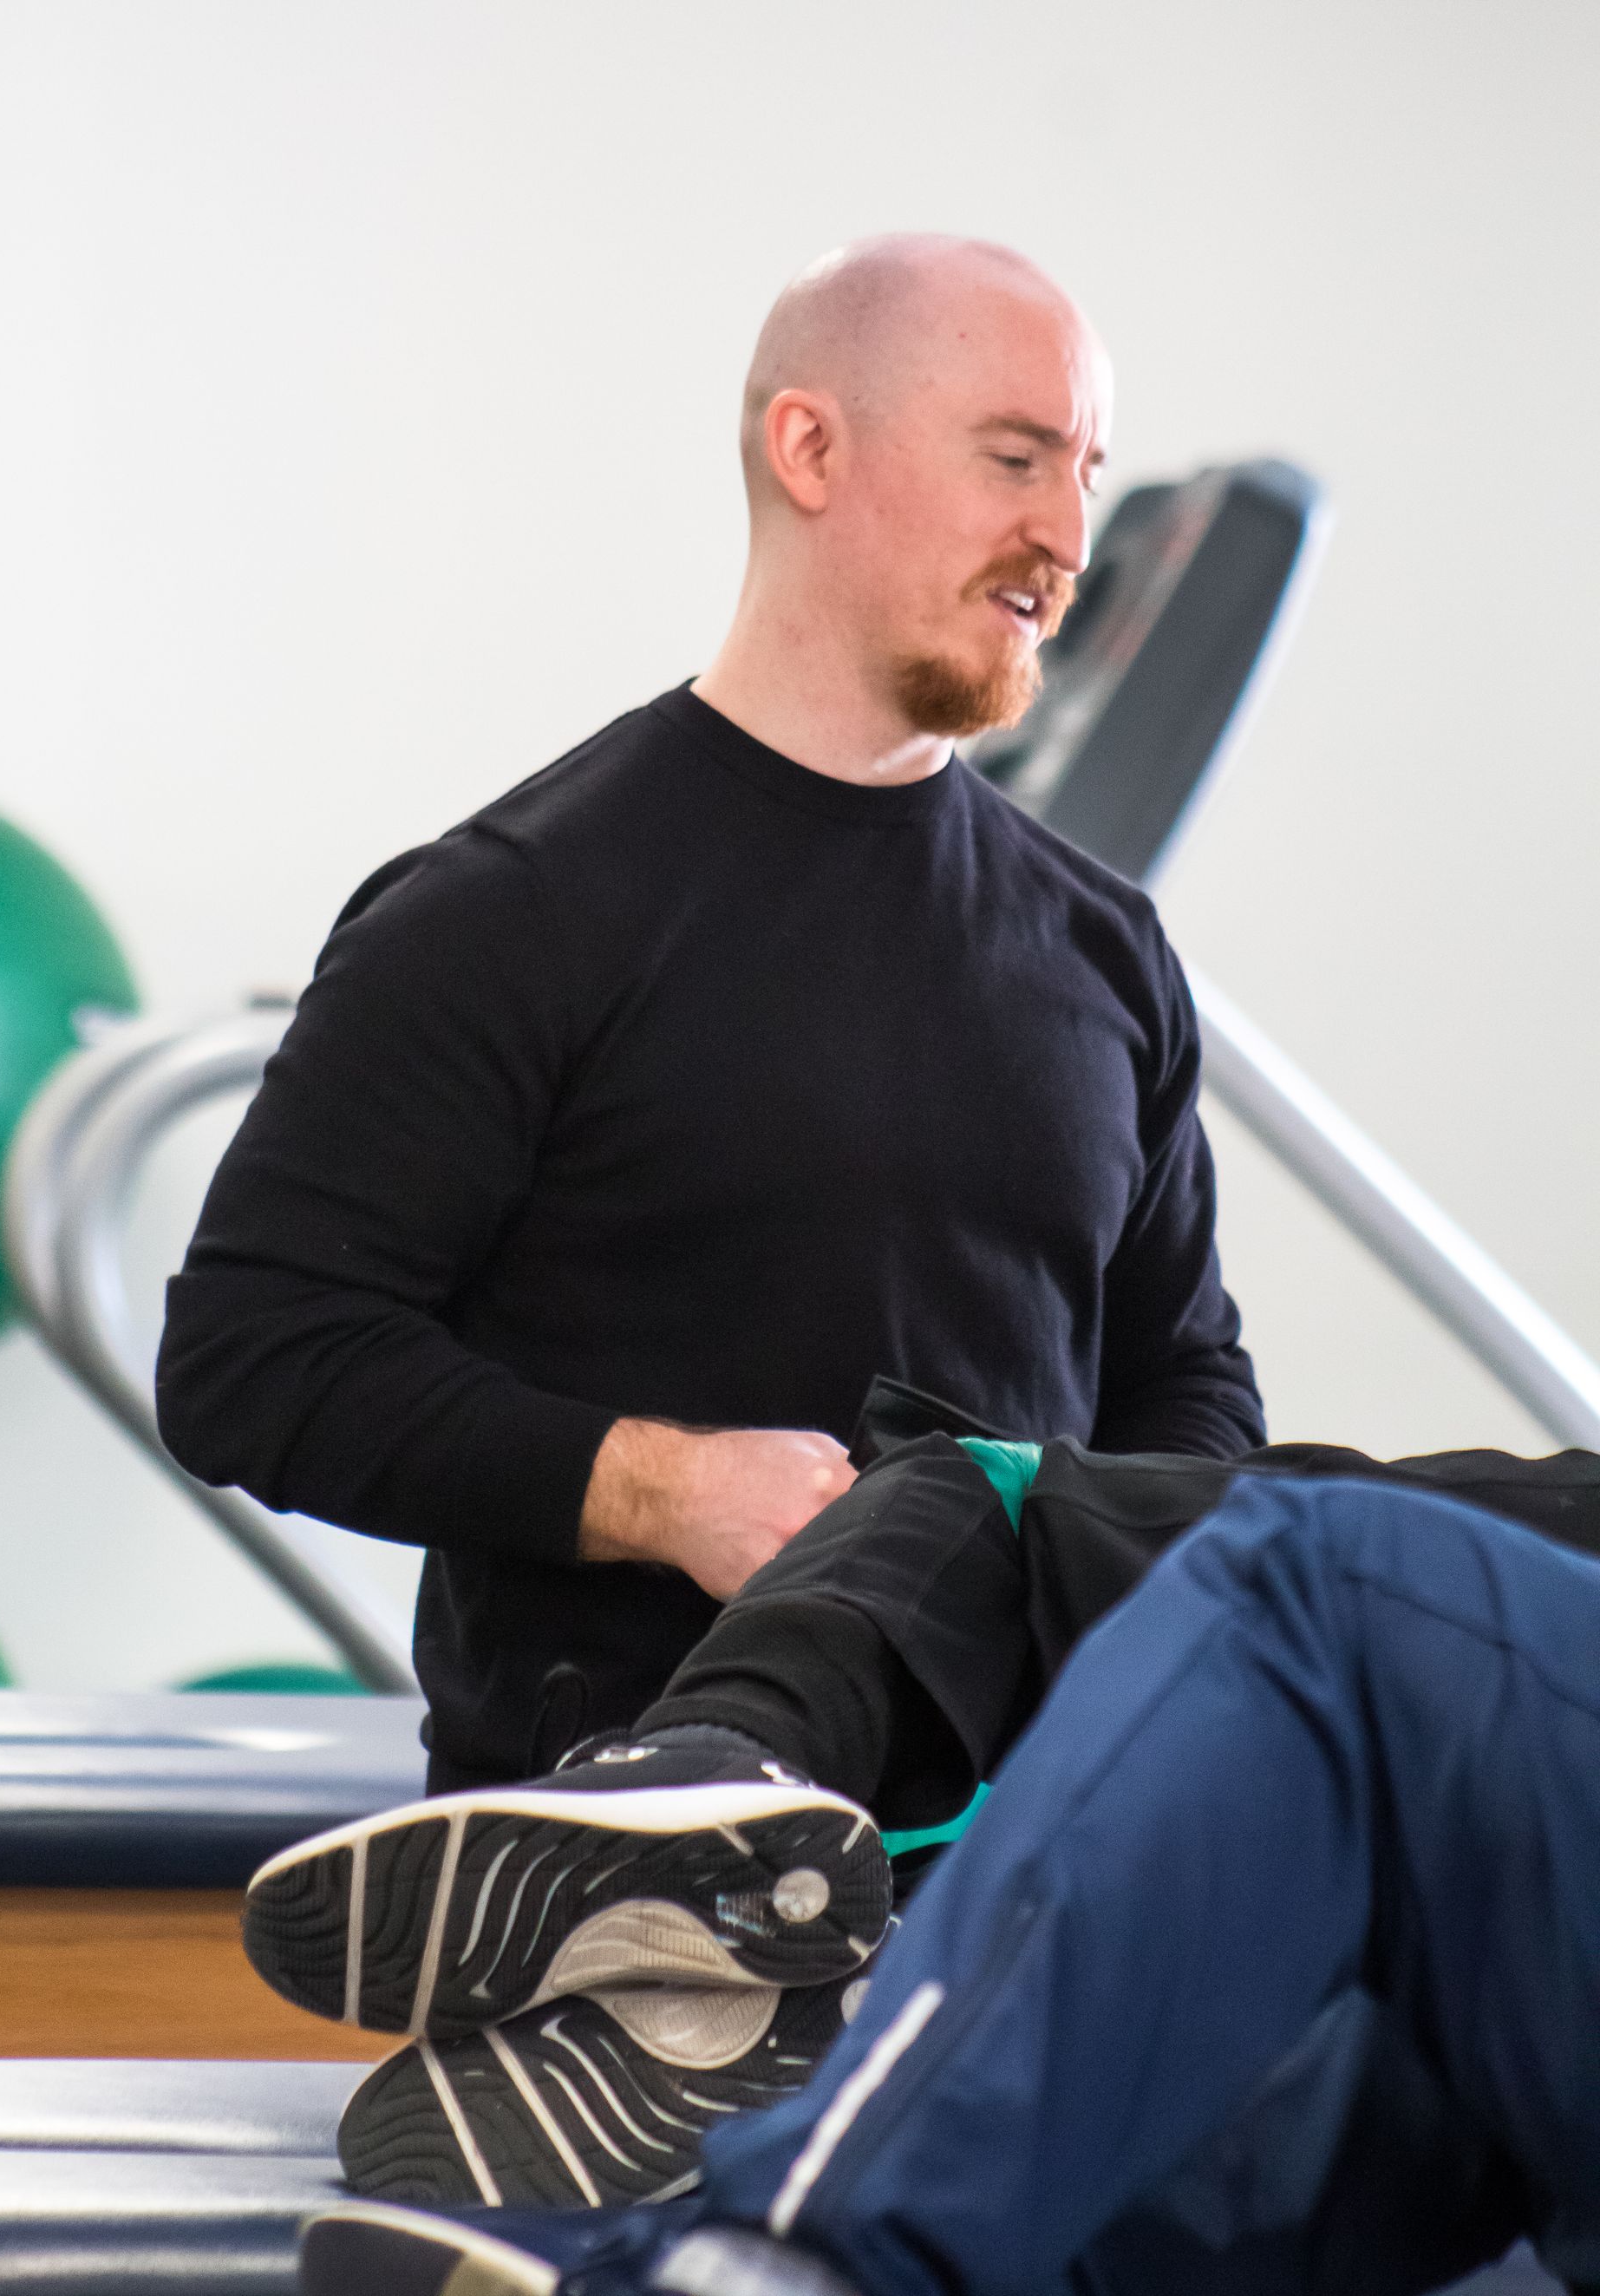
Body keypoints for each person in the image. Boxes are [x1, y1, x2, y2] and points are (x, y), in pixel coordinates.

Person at [154, 235, 1263, 1796]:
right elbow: (253, 1359)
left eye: (1085, 474)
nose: (1068, 537)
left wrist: (1092, 1572)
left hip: (1023, 1860)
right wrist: (662, 1493)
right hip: (613, 1860)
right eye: (1015, 460)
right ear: (809, 448)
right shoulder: (512, 909)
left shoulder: (1106, 949)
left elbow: (1189, 1381)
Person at [243, 1409, 1600, 2291]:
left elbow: (1189, 1390)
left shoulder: (1124, 1032)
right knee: (1401, 2031)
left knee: (1315, 1586)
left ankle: (801, 2225)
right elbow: (254, 1355)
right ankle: (841, 2077)